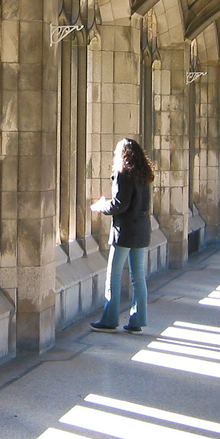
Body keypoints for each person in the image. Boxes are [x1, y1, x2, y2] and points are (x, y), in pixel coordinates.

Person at [90, 137, 154, 334]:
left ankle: (109, 320)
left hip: (125, 231)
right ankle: (137, 320)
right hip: (142, 229)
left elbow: (120, 204)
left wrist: (101, 206)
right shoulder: (144, 175)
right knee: (138, 277)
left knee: (114, 275)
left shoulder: (123, 174)